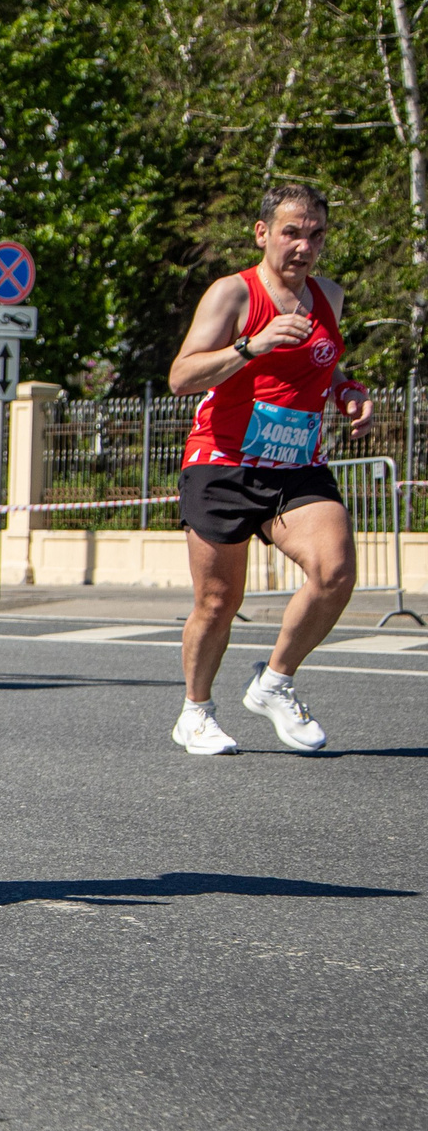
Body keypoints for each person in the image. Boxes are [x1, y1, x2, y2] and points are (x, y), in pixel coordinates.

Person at [168, 182, 373, 754]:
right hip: (223, 462)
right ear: (263, 233)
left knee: (335, 571)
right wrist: (251, 347)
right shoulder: (232, 295)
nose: (303, 246)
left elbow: (322, 365)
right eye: (291, 232)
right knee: (217, 602)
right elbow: (182, 377)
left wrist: (347, 391)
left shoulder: (328, 295)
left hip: (296, 463)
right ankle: (196, 712)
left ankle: (275, 681)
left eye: (315, 234)